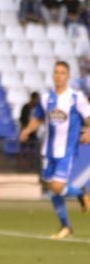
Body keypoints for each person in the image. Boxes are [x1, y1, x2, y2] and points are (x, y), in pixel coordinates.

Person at [18, 62, 90, 239]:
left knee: (58, 186)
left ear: (68, 76)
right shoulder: (45, 98)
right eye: (56, 72)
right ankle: (66, 226)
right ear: (52, 75)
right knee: (52, 189)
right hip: (48, 151)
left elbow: (88, 115)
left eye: (62, 73)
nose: (59, 76)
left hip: (66, 149)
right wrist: (27, 130)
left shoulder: (75, 97)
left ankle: (81, 194)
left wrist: (88, 131)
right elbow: (38, 118)